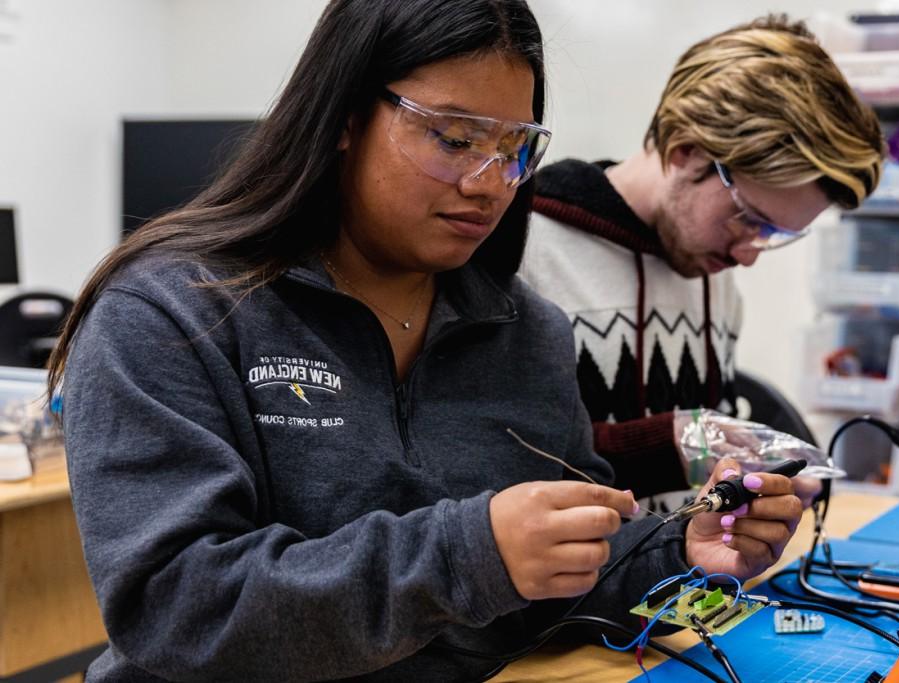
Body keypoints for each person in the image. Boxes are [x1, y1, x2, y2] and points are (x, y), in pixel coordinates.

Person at [48, 2, 803, 681]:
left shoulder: (528, 333)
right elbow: (174, 609)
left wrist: (681, 553)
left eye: (515, 148)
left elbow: (568, 575)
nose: (488, 182)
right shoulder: (172, 313)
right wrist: (468, 554)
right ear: (344, 116)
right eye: (453, 138)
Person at [521, 15, 886, 509]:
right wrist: (676, 445)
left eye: (777, 234)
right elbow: (505, 466)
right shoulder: (525, 250)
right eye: (748, 218)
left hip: (691, 584)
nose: (749, 254)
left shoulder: (714, 278)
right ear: (684, 150)